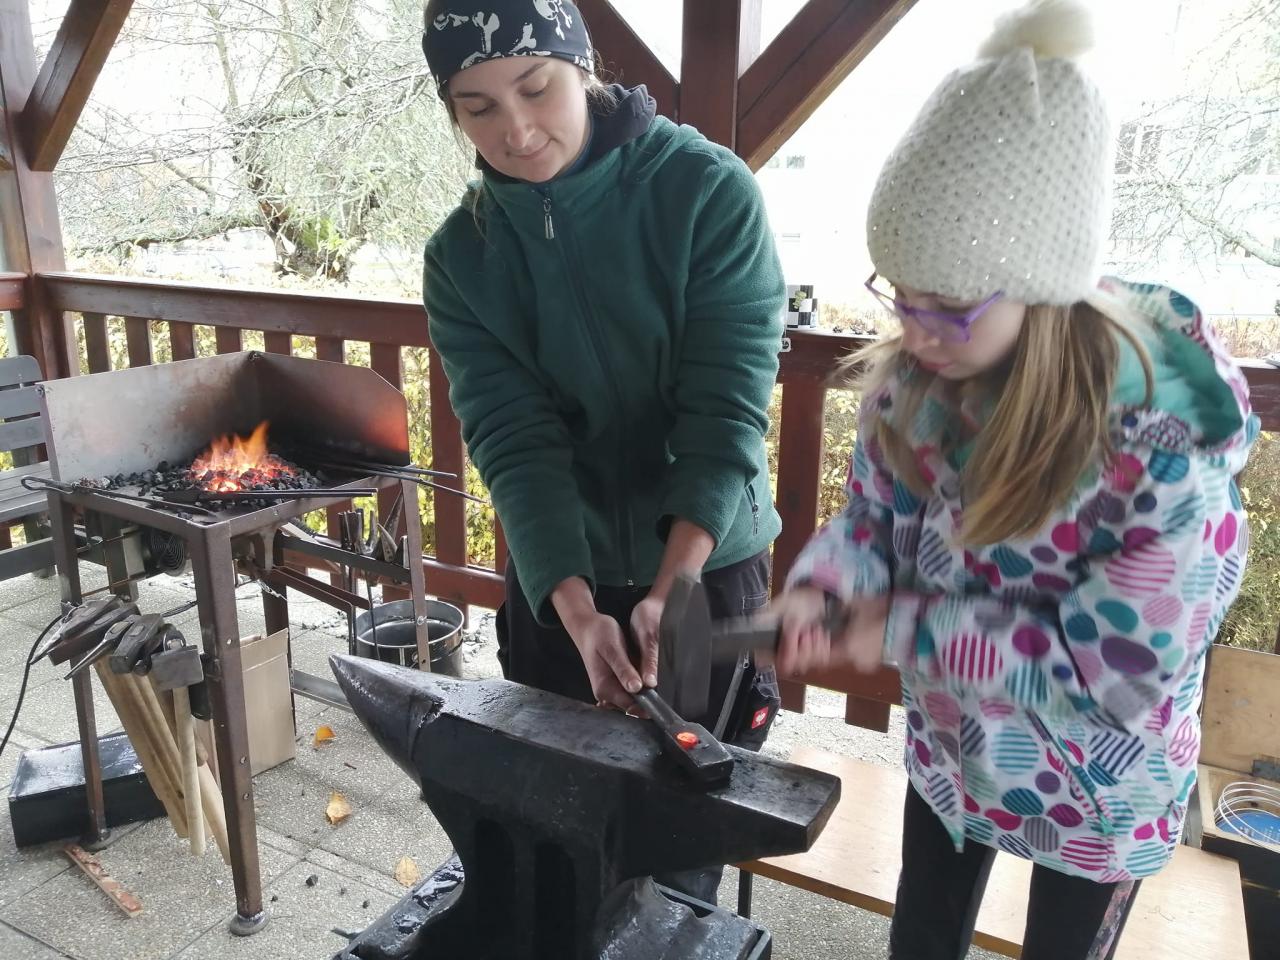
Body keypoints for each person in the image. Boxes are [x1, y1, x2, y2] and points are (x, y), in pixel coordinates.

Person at [767, 1, 1258, 957]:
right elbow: (873, 522)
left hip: (1101, 790)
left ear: (1046, 287)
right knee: (922, 936)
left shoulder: (1166, 452)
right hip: (956, 756)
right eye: (899, 292)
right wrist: (830, 584)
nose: (915, 330)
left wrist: (900, 627)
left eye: (948, 304)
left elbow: (1114, 674)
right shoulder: (913, 389)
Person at [419, 0, 786, 898]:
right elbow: (514, 439)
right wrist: (576, 610)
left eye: (536, 87)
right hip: (559, 575)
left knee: (685, 827)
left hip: (706, 569)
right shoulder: (462, 257)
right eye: (477, 107)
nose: (516, 130)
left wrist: (675, 582)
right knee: (551, 824)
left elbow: (725, 409)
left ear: (583, 68)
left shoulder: (707, 191)